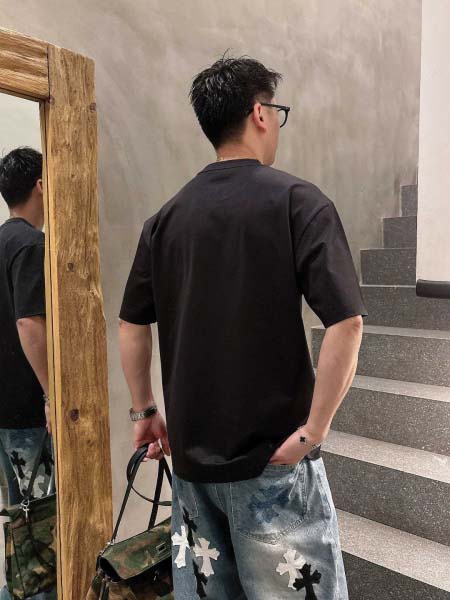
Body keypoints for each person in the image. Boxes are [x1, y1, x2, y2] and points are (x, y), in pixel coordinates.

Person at [119, 54, 368, 599]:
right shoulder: (299, 202)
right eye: (277, 111)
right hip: (274, 462)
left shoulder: (165, 220)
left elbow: (132, 323)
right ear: (259, 113)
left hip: (193, 469)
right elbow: (346, 322)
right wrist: (314, 431)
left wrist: (144, 411)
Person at [0, 147, 55, 600]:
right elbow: (29, 323)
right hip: (25, 411)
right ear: (41, 184)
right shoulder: (31, 245)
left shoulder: (2, 240)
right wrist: (54, 395)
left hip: (4, 412)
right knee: (42, 526)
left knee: (19, 519)